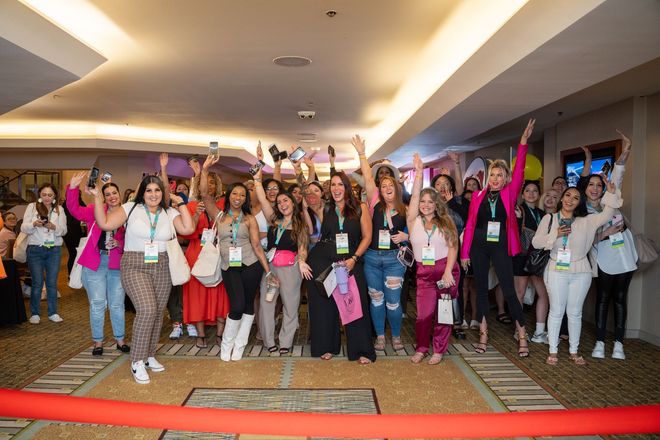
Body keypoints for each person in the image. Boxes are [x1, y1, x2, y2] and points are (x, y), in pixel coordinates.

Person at [92, 174, 194, 384]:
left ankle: (149, 355)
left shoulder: (169, 212)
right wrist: (96, 197)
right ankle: (137, 360)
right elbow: (105, 223)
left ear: (163, 193)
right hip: (134, 264)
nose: (153, 194)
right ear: (142, 193)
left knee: (157, 312)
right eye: (149, 190)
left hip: (162, 264)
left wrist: (181, 203)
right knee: (147, 309)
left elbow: (188, 229)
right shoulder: (130, 208)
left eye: (157, 190)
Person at [460, 119, 535, 357]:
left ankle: (522, 334)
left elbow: (521, 168)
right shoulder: (478, 196)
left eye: (500, 175)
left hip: (501, 243)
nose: (495, 178)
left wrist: (523, 143)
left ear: (506, 178)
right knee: (481, 290)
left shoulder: (510, 193)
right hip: (479, 245)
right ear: (487, 177)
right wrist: (464, 253)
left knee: (509, 290)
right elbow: (470, 225)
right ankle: (483, 334)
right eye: (492, 174)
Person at [532, 178, 621, 366]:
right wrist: (555, 234)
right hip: (556, 269)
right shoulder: (550, 218)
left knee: (575, 313)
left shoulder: (588, 220)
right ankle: (553, 351)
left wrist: (612, 193)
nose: (570, 200)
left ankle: (574, 351)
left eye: (575, 197)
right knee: (556, 311)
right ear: (561, 198)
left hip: (581, 271)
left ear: (580, 202)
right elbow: (536, 242)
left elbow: (607, 214)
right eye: (567, 195)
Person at [199, 154, 276, 361]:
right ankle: (227, 344)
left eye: (242, 195)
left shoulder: (249, 218)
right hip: (228, 266)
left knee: (249, 305)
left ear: (245, 199)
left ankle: (239, 346)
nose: (238, 198)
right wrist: (205, 170)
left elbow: (257, 246)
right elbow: (205, 194)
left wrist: (268, 272)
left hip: (251, 265)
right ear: (229, 195)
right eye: (235, 194)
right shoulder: (219, 215)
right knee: (237, 305)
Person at [305, 164, 376, 364]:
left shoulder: (360, 207)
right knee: (325, 305)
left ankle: (362, 350)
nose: (336, 188)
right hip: (323, 259)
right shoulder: (325, 207)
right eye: (333, 185)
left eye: (340, 185)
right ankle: (327, 346)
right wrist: (303, 168)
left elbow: (367, 237)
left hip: (350, 259)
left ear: (346, 187)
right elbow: (308, 192)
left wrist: (354, 259)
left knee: (354, 301)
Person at [580, 132, 636, 360]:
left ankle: (619, 344)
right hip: (603, 259)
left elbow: (619, 172)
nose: (595, 188)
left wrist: (626, 150)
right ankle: (601, 342)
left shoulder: (609, 200)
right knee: (603, 299)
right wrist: (606, 233)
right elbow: (584, 240)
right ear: (585, 188)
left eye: (598, 185)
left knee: (621, 299)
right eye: (590, 185)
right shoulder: (582, 210)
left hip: (626, 255)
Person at [352, 135, 408, 352]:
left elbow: (418, 230)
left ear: (396, 186)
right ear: (379, 189)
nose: (386, 187)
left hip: (395, 260)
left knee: (393, 302)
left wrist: (407, 237)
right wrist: (362, 154)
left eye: (389, 184)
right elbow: (367, 176)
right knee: (376, 300)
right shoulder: (374, 202)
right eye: (382, 184)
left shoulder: (405, 208)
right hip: (373, 258)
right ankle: (380, 337)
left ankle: (395, 335)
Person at [253, 157, 312, 355]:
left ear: (293, 203)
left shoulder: (300, 224)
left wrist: (302, 261)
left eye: (285, 200)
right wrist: (256, 180)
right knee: (267, 305)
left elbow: (303, 247)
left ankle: (285, 341)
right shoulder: (273, 221)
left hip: (291, 269)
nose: (282, 204)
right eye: (279, 202)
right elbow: (262, 199)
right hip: (270, 269)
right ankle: (270, 341)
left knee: (290, 305)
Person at [66, 172, 129, 356]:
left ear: (119, 194)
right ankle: (98, 342)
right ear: (103, 196)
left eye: (114, 193)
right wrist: (72, 188)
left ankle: (120, 340)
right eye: (107, 194)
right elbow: (74, 210)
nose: (111, 197)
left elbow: (135, 238)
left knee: (117, 304)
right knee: (97, 303)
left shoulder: (128, 214)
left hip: (117, 263)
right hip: (95, 262)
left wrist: (120, 244)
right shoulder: (95, 209)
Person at [407, 153, 460, 364]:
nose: (426, 205)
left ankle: (439, 349)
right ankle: (421, 347)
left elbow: (453, 246)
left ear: (436, 203)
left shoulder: (446, 221)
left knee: (443, 313)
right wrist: (419, 173)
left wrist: (448, 270)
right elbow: (412, 198)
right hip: (424, 273)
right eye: (423, 201)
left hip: (444, 270)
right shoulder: (413, 221)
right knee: (423, 315)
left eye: (430, 201)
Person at [179, 167, 230, 348]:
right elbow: (186, 234)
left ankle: (220, 334)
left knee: (221, 292)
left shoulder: (225, 205)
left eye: (211, 182)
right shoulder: (191, 206)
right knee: (197, 295)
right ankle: (200, 334)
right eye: (204, 181)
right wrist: (196, 215)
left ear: (216, 185)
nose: (208, 185)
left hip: (218, 253)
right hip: (197, 253)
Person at [22, 183, 68, 324]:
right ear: (39, 195)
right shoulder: (32, 207)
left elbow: (64, 231)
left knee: (52, 283)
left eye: (50, 195)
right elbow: (24, 227)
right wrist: (34, 224)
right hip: (35, 249)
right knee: (37, 283)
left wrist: (54, 227)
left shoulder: (59, 209)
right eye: (44, 195)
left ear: (54, 196)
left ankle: (53, 312)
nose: (47, 198)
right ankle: (35, 313)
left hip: (53, 249)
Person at [512, 180, 549, 344]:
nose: (531, 193)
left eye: (535, 191)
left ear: (539, 194)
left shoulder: (543, 214)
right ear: (522, 194)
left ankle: (540, 331)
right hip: (521, 256)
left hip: (538, 258)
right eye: (527, 190)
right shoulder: (517, 210)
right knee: (519, 293)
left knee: (544, 294)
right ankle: (518, 329)